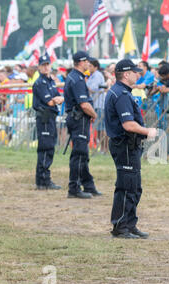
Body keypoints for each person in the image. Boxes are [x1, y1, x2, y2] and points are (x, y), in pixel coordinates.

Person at [104, 59, 157, 239]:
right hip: (125, 144)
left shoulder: (122, 92)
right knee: (126, 186)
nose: (138, 74)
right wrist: (147, 131)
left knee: (134, 186)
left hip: (128, 145)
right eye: (135, 71)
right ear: (126, 74)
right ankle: (120, 226)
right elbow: (128, 125)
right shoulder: (121, 94)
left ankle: (129, 223)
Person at [64, 51, 101, 199]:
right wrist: (94, 114)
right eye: (86, 61)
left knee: (82, 154)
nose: (88, 64)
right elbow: (84, 104)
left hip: (79, 119)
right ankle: (74, 188)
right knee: (79, 155)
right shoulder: (77, 79)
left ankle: (88, 185)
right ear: (81, 62)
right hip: (79, 119)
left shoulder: (75, 77)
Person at [32, 53, 64, 190]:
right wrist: (56, 99)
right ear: (39, 67)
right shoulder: (40, 83)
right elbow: (51, 102)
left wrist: (58, 99)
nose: (45, 67)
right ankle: (43, 180)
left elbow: (59, 97)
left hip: (50, 118)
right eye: (43, 65)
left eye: (47, 64)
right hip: (44, 118)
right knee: (45, 148)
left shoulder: (50, 81)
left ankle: (44, 179)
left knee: (50, 147)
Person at [87, 58, 107, 153]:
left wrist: (84, 86)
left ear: (95, 67)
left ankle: (105, 148)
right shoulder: (91, 76)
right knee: (98, 129)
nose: (88, 67)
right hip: (94, 105)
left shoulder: (97, 75)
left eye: (90, 66)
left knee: (101, 128)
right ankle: (102, 148)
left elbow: (93, 89)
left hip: (99, 104)